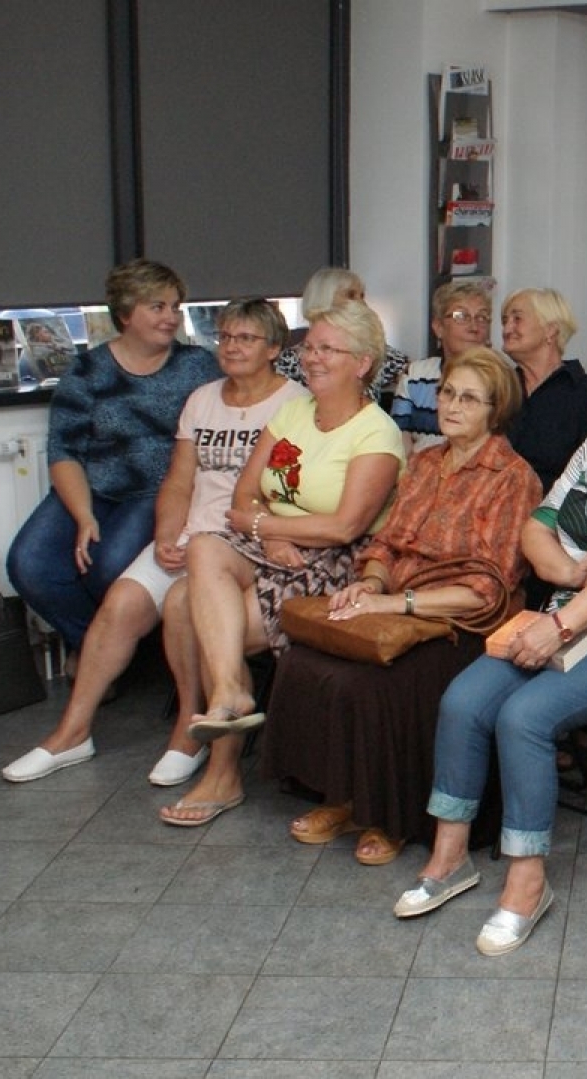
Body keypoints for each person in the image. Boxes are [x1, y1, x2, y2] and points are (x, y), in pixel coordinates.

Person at [390, 318, 587, 958]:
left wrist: (558, 624)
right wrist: (567, 574)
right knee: (464, 700)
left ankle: (527, 882)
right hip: (567, 617)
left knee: (526, 716)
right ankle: (450, 859)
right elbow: (536, 528)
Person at [1, 299, 307, 785]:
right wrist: (167, 534)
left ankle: (189, 731)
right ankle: (71, 733)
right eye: (226, 337)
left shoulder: (295, 404)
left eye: (246, 339)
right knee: (121, 601)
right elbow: (179, 482)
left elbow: (296, 492)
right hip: (190, 533)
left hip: (246, 541)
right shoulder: (203, 398)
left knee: (185, 602)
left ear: (273, 348)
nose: (231, 347)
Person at [264, 348, 539, 865]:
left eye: (470, 399)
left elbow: (488, 588)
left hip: (465, 624)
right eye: (448, 393)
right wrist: (369, 584)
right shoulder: (425, 463)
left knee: (378, 683)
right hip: (396, 604)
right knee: (305, 659)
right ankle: (343, 797)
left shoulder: (512, 477)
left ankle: (392, 816)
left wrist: (395, 603)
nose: (452, 405)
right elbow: (387, 543)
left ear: (496, 411)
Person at [156, 300, 405, 827]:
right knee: (203, 548)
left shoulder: (376, 432)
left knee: (192, 612)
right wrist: (267, 536)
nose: (311, 358)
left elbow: (345, 527)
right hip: (269, 544)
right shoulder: (293, 412)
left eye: (327, 349)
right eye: (308, 347)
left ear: (362, 362)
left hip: (332, 563)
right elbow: (241, 498)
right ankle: (230, 693)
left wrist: (266, 527)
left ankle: (222, 770)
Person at [7, 259, 220, 657]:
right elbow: (64, 451)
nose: (171, 317)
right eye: (157, 307)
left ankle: (108, 656)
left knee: (108, 566)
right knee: (29, 564)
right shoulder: (87, 370)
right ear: (125, 314)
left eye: (175, 307)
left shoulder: (198, 366)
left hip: (158, 491)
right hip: (94, 488)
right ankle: (100, 650)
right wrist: (84, 515)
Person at [498, 287, 587, 493]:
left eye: (517, 319)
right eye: (505, 320)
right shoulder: (498, 389)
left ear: (550, 330)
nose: (507, 329)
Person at [275, 266, 411, 396]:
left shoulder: (370, 350)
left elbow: (412, 371)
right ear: (323, 299)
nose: (362, 304)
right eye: (351, 295)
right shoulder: (288, 362)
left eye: (362, 296)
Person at [392, 280, 492, 455]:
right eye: (461, 316)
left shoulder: (499, 380)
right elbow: (399, 437)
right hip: (418, 467)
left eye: (482, 317)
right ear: (438, 327)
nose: (474, 327)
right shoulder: (416, 375)